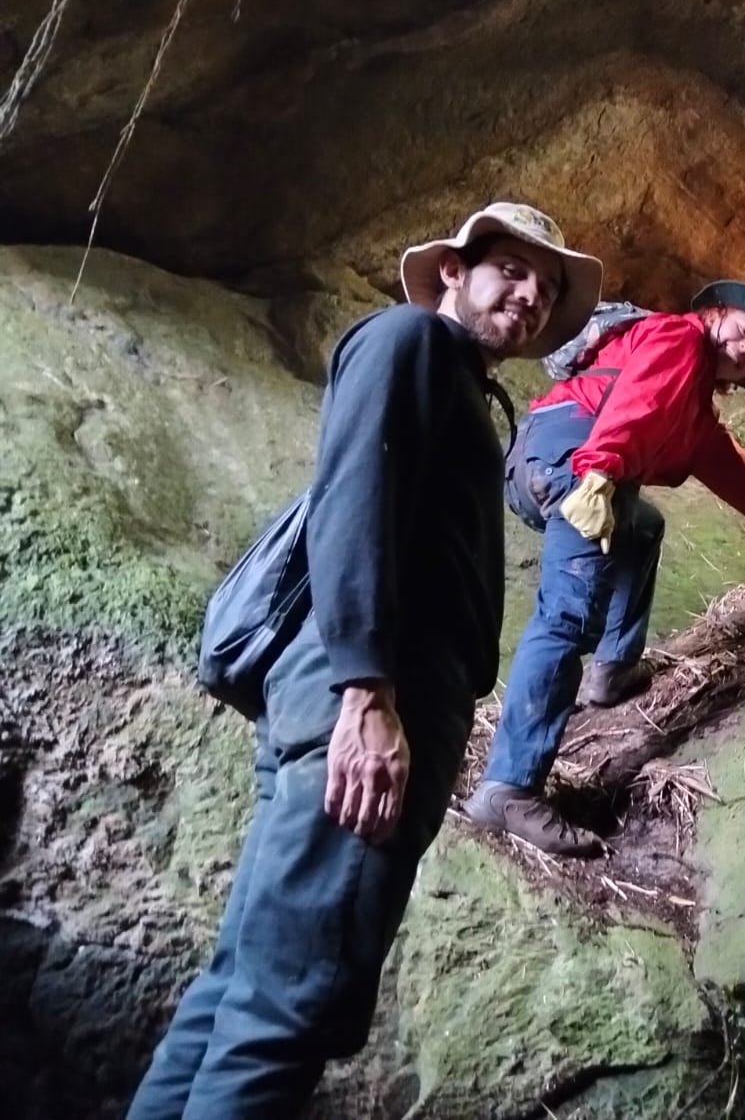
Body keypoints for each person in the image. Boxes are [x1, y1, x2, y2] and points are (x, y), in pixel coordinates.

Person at [125, 202, 602, 1119]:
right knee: (289, 1006)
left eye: (547, 287)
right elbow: (355, 499)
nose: (532, 293)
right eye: (511, 269)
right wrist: (369, 695)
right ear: (453, 273)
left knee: (245, 988)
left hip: (361, 693)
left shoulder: (456, 381)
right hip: (377, 694)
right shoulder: (410, 340)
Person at [463, 281, 745, 856]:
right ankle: (508, 788)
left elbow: (738, 474)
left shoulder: (695, 411)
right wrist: (599, 471)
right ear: (716, 313)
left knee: (642, 526)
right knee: (567, 618)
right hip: (576, 461)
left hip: (551, 460)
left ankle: (612, 670)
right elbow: (638, 398)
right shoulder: (680, 339)